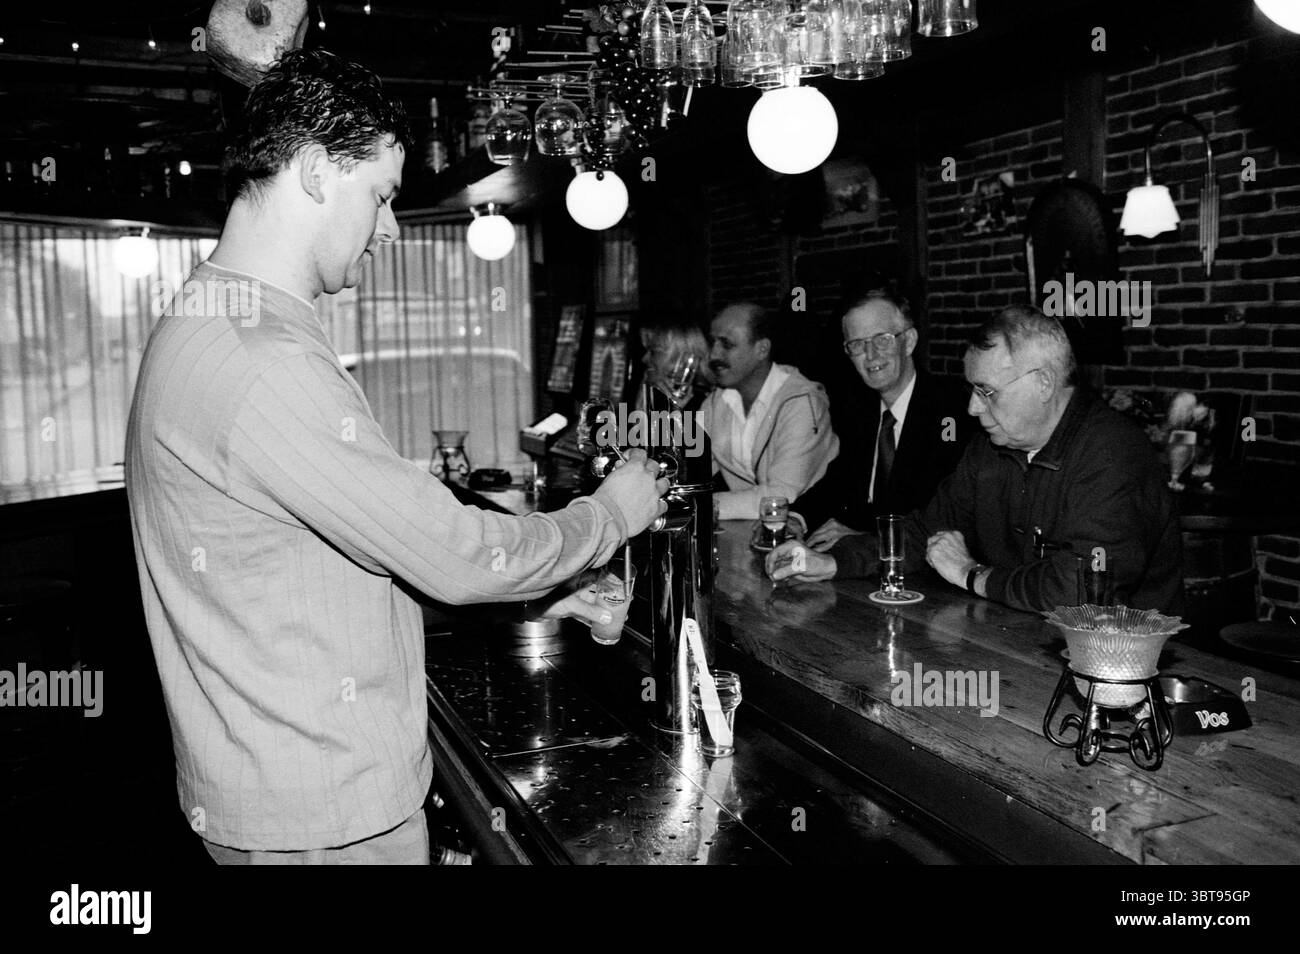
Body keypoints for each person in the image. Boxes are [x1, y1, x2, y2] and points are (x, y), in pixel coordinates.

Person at [123, 50, 667, 865]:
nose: (390, 226)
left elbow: (322, 565)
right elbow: (455, 553)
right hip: (323, 814)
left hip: (273, 786)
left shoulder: (212, 319)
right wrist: (611, 514)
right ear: (312, 170)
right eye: (379, 194)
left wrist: (535, 599)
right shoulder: (261, 358)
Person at [768, 305, 1184, 615]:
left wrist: (972, 574)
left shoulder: (1113, 454)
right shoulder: (991, 446)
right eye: (972, 389)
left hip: (1124, 678)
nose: (970, 408)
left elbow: (1081, 592)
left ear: (1043, 383)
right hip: (1020, 642)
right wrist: (834, 560)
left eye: (986, 391)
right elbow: (924, 532)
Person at [790, 282, 973, 551]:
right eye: (857, 344)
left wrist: (862, 529)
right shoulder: (858, 409)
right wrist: (796, 519)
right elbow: (838, 481)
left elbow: (931, 503)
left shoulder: (950, 410)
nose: (871, 354)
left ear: (909, 341)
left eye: (882, 339)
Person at [701, 302, 839, 521]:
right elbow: (689, 470)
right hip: (753, 533)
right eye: (713, 343)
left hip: (811, 536)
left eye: (726, 344)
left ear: (762, 349)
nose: (713, 355)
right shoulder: (717, 402)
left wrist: (702, 504)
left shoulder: (801, 402)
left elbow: (781, 495)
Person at [635, 319, 714, 409]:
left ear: (683, 357)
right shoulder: (655, 395)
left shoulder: (708, 404)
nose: (644, 359)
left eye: (654, 352)